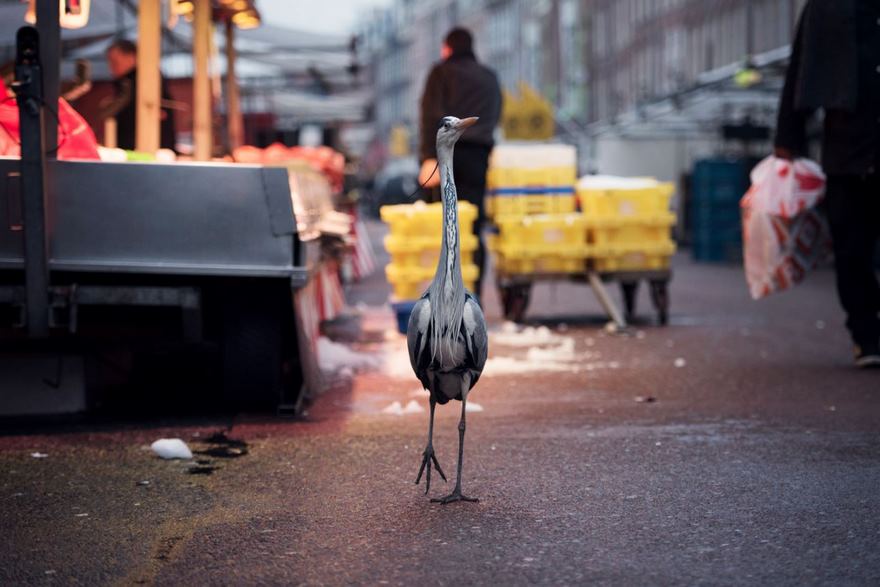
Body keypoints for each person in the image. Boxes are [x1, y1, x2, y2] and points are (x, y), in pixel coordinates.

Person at [775, 0, 880, 368]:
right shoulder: (824, 7)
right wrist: (788, 138)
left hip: (851, 146)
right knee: (852, 250)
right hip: (846, 150)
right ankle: (866, 336)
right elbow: (801, 67)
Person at [418, 27, 502, 300]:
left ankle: (442, 294)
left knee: (443, 223)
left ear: (448, 48)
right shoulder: (489, 77)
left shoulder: (441, 72)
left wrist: (426, 157)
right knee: (473, 225)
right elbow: (495, 114)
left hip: (448, 154)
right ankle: (473, 294)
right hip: (479, 157)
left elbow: (430, 115)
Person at [103, 39, 176, 151]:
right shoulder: (128, 84)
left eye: (115, 62)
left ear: (132, 57)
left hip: (145, 151)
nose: (111, 67)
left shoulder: (143, 81)